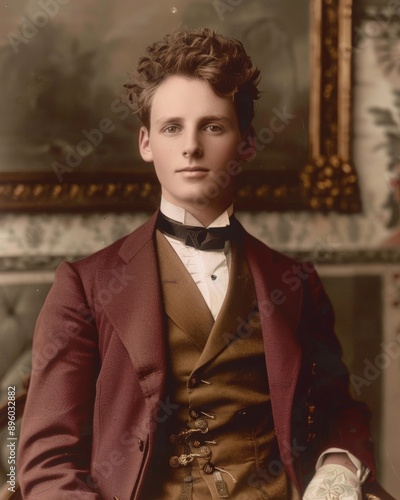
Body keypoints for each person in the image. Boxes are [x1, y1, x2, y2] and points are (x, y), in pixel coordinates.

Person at [18, 28, 376, 499]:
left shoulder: (296, 282)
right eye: (172, 127)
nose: (191, 147)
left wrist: (336, 470)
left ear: (246, 142)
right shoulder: (85, 286)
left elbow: (340, 412)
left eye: (213, 126)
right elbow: (45, 462)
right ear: (146, 143)